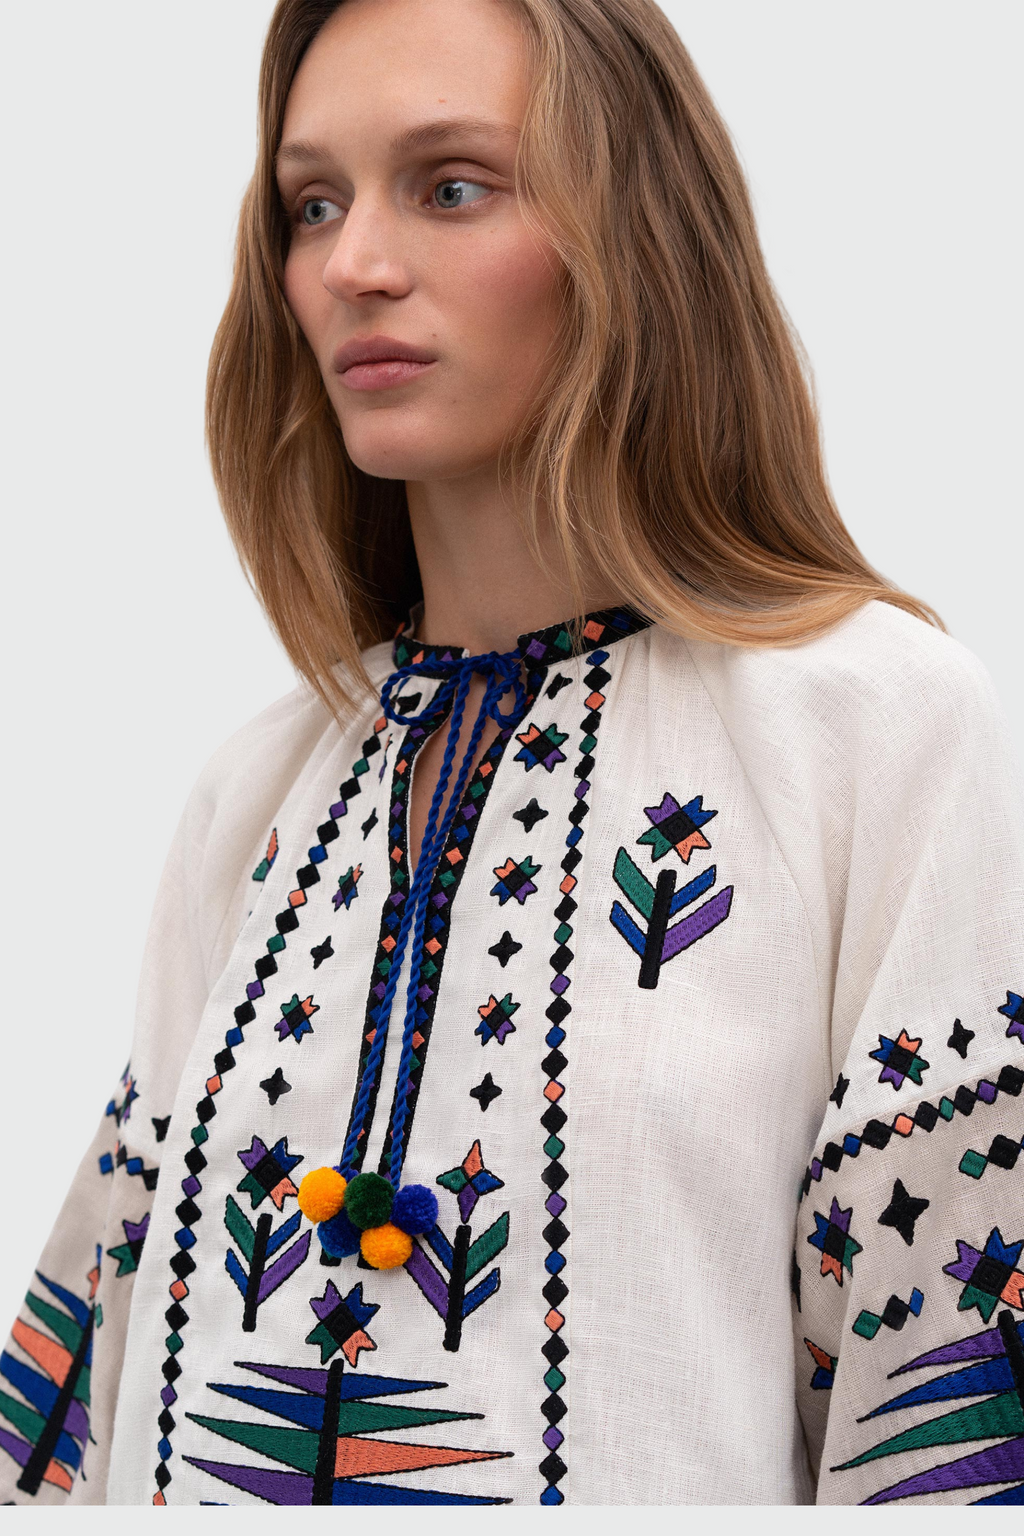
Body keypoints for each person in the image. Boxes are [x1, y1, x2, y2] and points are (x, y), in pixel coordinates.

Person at [3, 0, 1022, 1508]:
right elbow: (70, 1427)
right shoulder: (260, 795)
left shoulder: (877, 734)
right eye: (313, 204)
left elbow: (949, 1410)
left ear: (635, 236)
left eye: (452, 185)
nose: (352, 264)